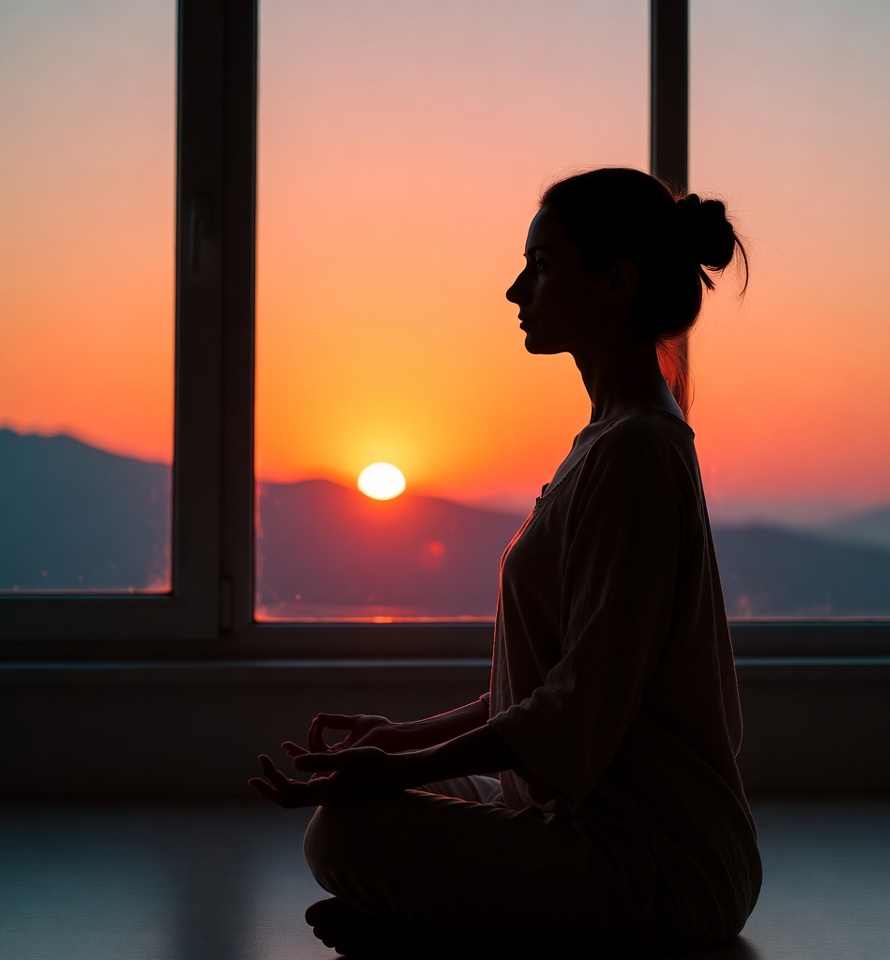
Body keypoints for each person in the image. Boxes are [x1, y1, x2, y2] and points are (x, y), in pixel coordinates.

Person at [250, 167, 762, 957]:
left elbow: (577, 706)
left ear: (616, 281)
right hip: (569, 813)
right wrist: (400, 744)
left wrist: (404, 762)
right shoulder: (609, 439)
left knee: (346, 839)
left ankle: (444, 930)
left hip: (656, 866)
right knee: (354, 816)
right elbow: (551, 686)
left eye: (543, 265)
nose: (517, 290)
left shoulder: (637, 455)